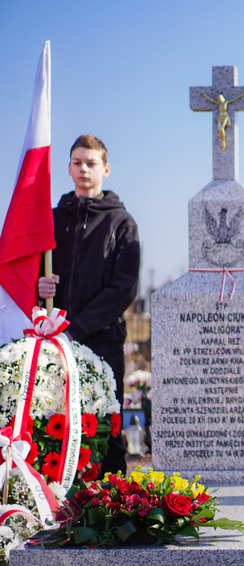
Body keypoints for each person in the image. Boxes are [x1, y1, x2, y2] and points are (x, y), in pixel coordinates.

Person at [38, 135, 141, 477]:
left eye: (91, 163)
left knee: (107, 428)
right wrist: (39, 288)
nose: (84, 169)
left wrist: (77, 327)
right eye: (78, 162)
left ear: (106, 169)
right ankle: (62, 508)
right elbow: (31, 274)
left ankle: (113, 511)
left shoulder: (121, 223)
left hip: (102, 341)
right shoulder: (50, 220)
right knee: (56, 426)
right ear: (68, 168)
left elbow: (123, 288)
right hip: (53, 339)